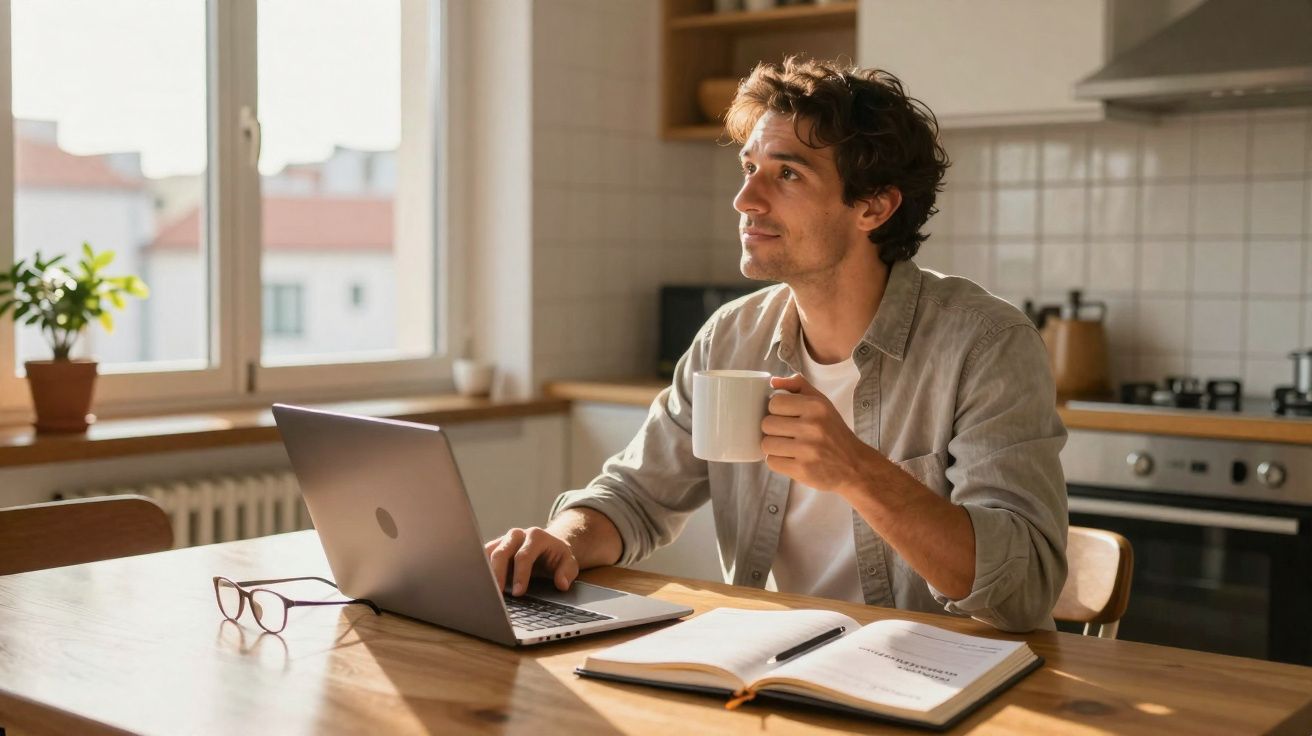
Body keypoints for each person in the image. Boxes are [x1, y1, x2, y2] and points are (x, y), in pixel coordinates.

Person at [484, 58, 1067, 632]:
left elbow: (1023, 589)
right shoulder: (732, 336)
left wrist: (859, 472)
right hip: (773, 664)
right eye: (748, 168)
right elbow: (634, 496)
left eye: (787, 174)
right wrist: (561, 540)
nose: (745, 199)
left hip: (938, 681)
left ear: (873, 206)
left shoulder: (986, 344)